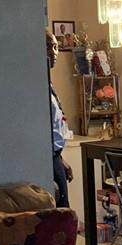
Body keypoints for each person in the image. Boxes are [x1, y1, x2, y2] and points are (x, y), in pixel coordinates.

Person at [46, 31, 73, 207]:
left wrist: (60, 158)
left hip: (56, 157)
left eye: (55, 47)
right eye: (48, 47)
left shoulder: (48, 83)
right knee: (59, 210)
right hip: (46, 159)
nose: (53, 52)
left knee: (64, 208)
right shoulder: (36, 84)